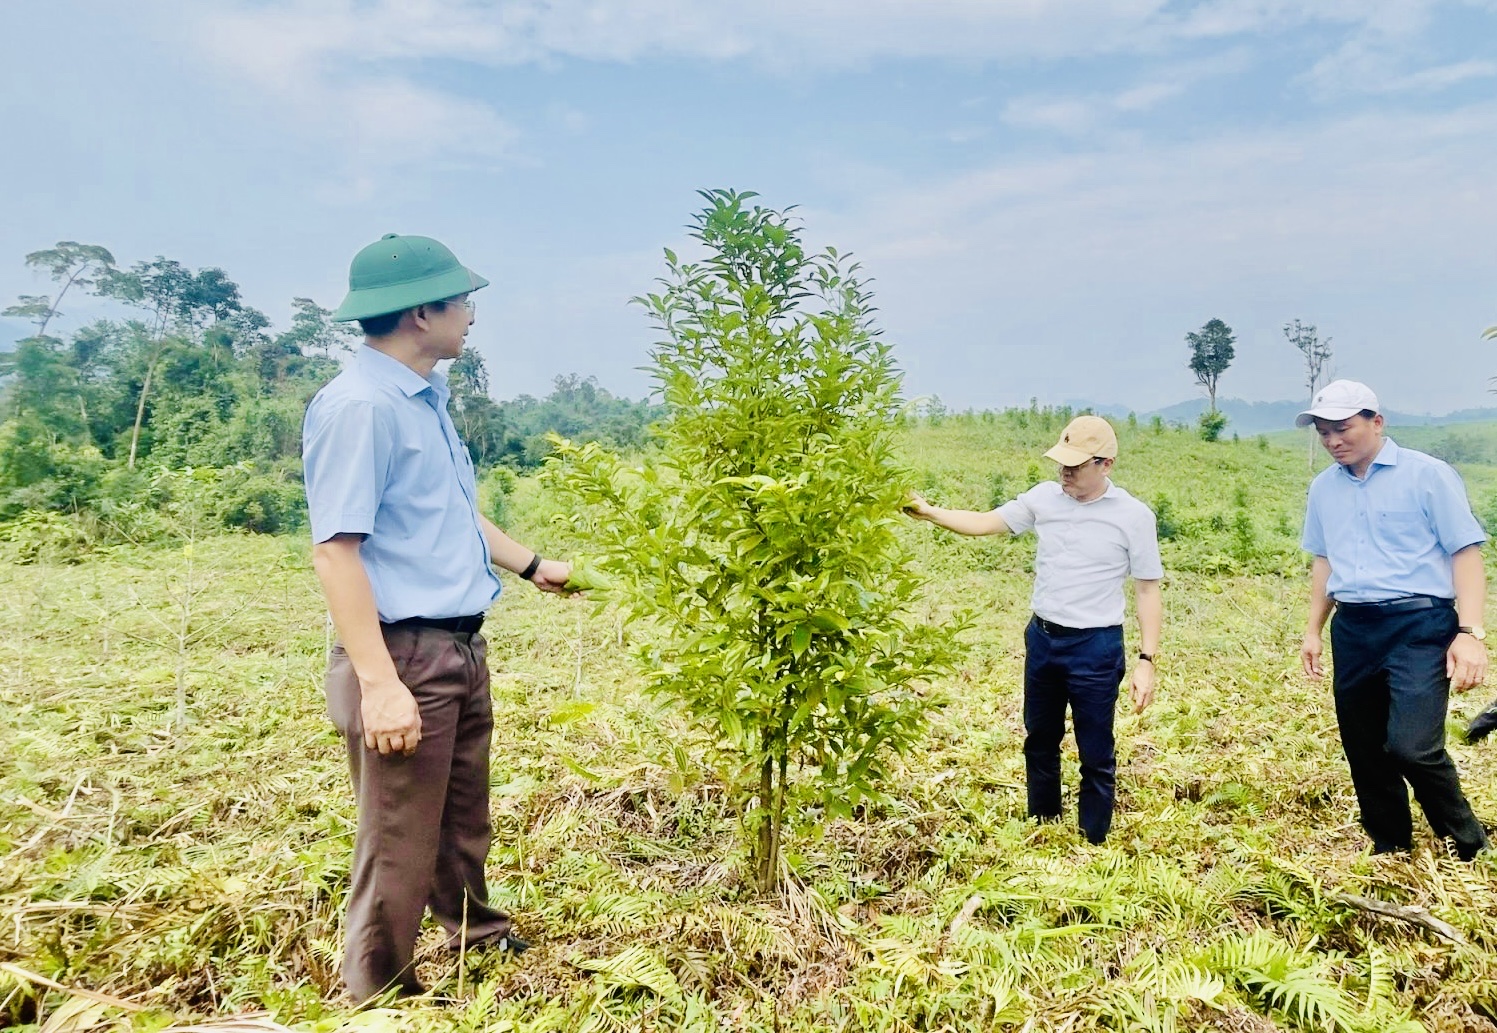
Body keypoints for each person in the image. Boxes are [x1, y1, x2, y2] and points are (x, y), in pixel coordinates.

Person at [302, 233, 571, 1001]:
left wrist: (531, 565)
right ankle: (378, 991)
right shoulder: (361, 407)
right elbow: (337, 553)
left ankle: (474, 931)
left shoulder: (420, 399)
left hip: (455, 643)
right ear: (423, 312)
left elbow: (449, 514)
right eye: (461, 301)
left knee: (459, 812)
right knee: (397, 834)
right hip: (402, 654)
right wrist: (379, 684)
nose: (471, 316)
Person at [905, 415, 1162, 845]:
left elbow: (1148, 590)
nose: (1065, 472)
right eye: (1062, 463)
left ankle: (1092, 838)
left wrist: (1146, 661)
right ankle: (1042, 825)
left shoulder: (1133, 516)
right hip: (1043, 637)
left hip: (1096, 646)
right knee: (1039, 736)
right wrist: (931, 513)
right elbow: (986, 522)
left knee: (1096, 749)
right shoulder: (1044, 499)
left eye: (1076, 465)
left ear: (1106, 464)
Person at [1298, 379, 1488, 861]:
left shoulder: (1428, 475)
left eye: (1342, 429)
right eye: (1323, 433)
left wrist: (1469, 633)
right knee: (1364, 747)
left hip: (1419, 625)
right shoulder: (1323, 488)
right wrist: (1313, 629)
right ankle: (1390, 844)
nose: (1333, 441)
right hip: (1355, 627)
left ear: (1376, 422)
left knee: (1411, 746)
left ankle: (1468, 842)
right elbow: (1324, 560)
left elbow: (1465, 552)